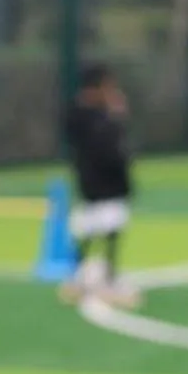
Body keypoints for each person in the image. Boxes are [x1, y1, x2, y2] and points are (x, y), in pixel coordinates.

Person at [62, 63, 137, 307]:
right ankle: (100, 279)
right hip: (100, 182)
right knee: (98, 228)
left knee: (104, 228)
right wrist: (114, 117)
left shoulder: (85, 114)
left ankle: (92, 276)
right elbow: (107, 147)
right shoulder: (86, 116)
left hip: (103, 182)